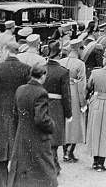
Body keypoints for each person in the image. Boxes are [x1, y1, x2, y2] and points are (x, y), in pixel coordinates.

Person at [0, 41, 31, 187]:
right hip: (20, 112)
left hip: (0, 112)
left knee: (1, 156)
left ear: (6, 51)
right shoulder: (26, 69)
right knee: (19, 153)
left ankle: (2, 184)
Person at [8, 63, 57, 187]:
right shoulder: (41, 92)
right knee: (45, 172)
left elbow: (15, 114)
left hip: (22, 135)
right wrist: (51, 125)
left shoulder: (20, 89)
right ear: (43, 76)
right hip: (38, 138)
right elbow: (41, 118)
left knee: (24, 171)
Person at [43, 41, 72, 176]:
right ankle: (53, 164)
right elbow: (66, 95)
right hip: (56, 106)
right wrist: (68, 112)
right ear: (60, 54)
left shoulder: (41, 68)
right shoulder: (63, 72)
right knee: (54, 135)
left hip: (42, 103)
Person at [59, 39, 87, 162]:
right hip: (74, 92)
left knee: (65, 122)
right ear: (79, 49)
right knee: (76, 123)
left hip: (62, 92)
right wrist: (83, 102)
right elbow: (82, 86)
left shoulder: (61, 61)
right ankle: (70, 152)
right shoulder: (80, 64)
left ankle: (65, 151)